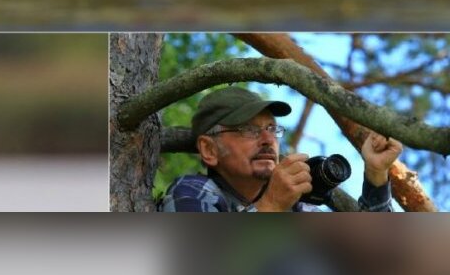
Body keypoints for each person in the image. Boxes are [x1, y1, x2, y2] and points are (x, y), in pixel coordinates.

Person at [158, 87, 403, 212]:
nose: (267, 139)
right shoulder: (193, 192)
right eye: (248, 130)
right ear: (209, 149)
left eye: (272, 129)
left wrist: (376, 174)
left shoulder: (299, 208)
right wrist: (271, 205)